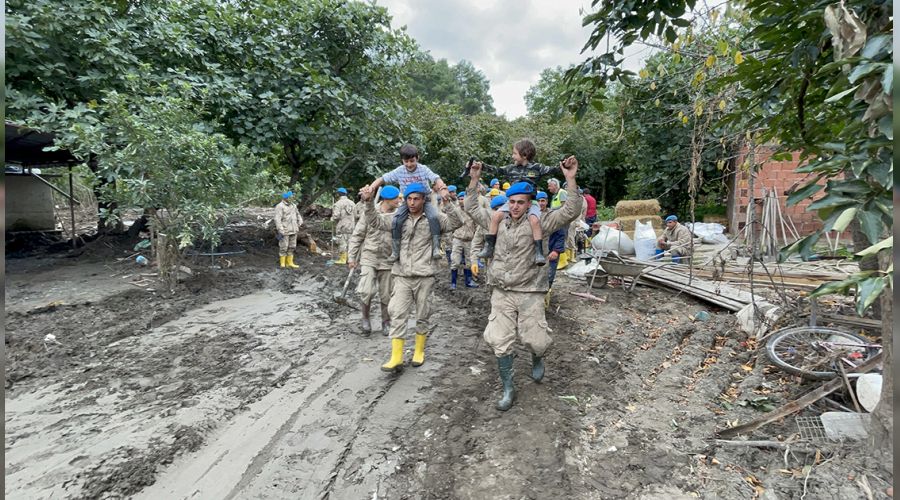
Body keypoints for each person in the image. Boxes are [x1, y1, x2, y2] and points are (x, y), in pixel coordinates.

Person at [465, 157, 583, 412]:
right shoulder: (496, 220)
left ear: (530, 205)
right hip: (502, 290)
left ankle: (537, 356)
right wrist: (474, 179)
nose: (515, 206)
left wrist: (570, 179)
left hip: (531, 289)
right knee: (498, 339)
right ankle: (508, 387)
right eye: (512, 202)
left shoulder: (543, 221)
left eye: (521, 203)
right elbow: (472, 208)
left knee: (536, 339)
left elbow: (571, 211)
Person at [361, 182, 465, 372]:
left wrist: (448, 202)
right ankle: (396, 356)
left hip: (425, 275)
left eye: (416, 199)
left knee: (423, 314)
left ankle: (418, 351)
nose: (412, 202)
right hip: (401, 275)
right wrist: (368, 203)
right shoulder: (397, 218)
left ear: (423, 199)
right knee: (397, 312)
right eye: (409, 199)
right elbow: (375, 221)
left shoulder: (434, 218)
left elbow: (457, 222)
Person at [472, 139, 563, 266]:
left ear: (524, 155)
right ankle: (489, 246)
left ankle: (538, 252)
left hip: (530, 202)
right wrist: (481, 166)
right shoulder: (511, 168)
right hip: (513, 201)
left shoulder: (537, 168)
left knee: (535, 220)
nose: (512, 156)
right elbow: (497, 170)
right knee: (496, 216)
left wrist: (565, 164)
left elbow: (554, 170)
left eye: (515, 153)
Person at [361, 144, 451, 262]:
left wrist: (443, 188)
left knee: (433, 217)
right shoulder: (399, 171)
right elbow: (382, 179)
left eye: (412, 161)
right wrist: (371, 188)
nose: (409, 164)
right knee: (397, 220)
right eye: (406, 161)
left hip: (424, 199)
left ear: (417, 158)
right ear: (402, 160)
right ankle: (395, 251)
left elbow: (435, 178)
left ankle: (436, 248)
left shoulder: (423, 169)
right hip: (407, 201)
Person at [348, 185, 401, 335]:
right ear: (386, 200)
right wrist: (352, 257)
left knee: (387, 293)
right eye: (396, 199)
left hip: (388, 258)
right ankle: (365, 319)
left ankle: (386, 321)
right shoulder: (369, 213)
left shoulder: (399, 215)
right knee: (366, 290)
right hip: (369, 256)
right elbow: (358, 235)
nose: (399, 201)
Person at [448, 191, 478, 290]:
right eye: (460, 199)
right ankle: (453, 283)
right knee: (455, 261)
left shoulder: (472, 212)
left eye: (463, 199)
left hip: (469, 239)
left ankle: (469, 281)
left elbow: (477, 225)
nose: (461, 201)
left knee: (469, 261)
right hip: (458, 239)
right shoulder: (456, 211)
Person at [274, 191, 303, 269]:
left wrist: (300, 221)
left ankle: (290, 262)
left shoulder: (294, 205)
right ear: (285, 197)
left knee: (292, 246)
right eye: (290, 197)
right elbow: (277, 219)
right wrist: (280, 230)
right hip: (285, 230)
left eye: (292, 197)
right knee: (284, 247)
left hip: (294, 230)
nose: (292, 198)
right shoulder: (279, 206)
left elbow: (298, 215)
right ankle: (282, 263)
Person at [331, 187, 356, 265]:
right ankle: (350, 259)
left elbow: (336, 216)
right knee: (350, 242)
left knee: (342, 242)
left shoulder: (338, 203)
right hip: (352, 226)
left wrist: (332, 218)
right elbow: (355, 214)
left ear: (338, 194)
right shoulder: (352, 203)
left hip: (342, 226)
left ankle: (343, 259)